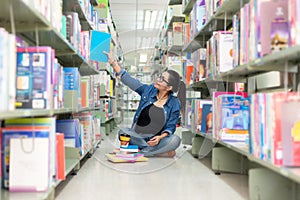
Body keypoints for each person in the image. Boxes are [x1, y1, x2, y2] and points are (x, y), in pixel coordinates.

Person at [104, 51, 184, 157]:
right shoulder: (148, 90)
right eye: (159, 76)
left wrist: (160, 138)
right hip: (137, 136)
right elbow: (129, 80)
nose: (158, 79)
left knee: (175, 140)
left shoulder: (174, 103)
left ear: (169, 87)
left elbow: (171, 126)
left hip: (156, 139)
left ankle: (140, 151)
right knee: (123, 133)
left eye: (162, 79)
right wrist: (113, 63)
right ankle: (155, 152)